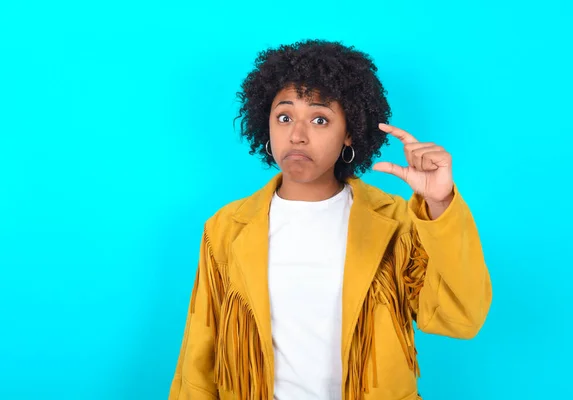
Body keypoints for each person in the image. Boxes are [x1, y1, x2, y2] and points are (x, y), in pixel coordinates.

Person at [168, 39, 492, 400]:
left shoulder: (397, 223)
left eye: (320, 119)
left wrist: (440, 203)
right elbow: (198, 357)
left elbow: (461, 318)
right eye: (284, 116)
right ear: (267, 124)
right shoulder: (227, 228)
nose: (297, 135)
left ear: (349, 133)